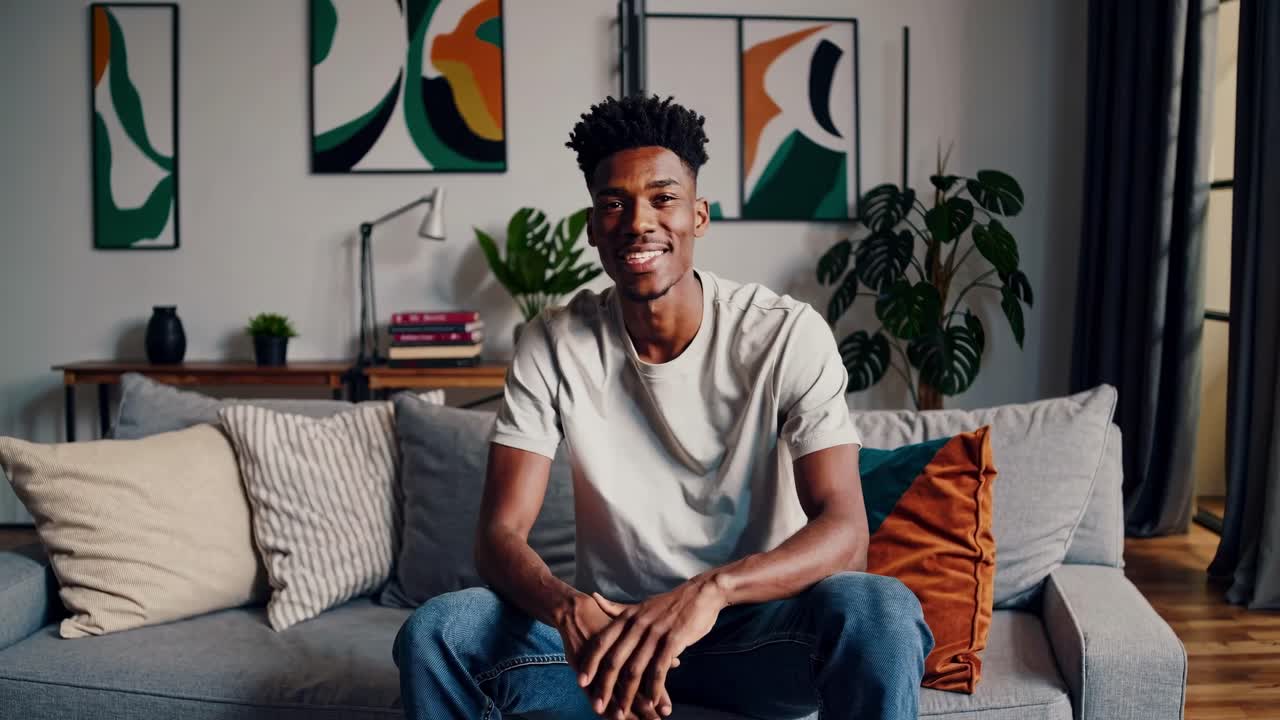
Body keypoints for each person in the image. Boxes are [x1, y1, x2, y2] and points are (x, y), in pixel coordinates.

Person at [393, 94, 933, 720]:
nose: (639, 221)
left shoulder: (786, 333)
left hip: (753, 636)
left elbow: (845, 534)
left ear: (698, 216)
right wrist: (568, 606)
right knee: (440, 632)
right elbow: (498, 535)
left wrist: (713, 591)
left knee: (881, 610)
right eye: (614, 203)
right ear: (594, 226)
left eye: (663, 198)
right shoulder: (553, 341)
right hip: (610, 640)